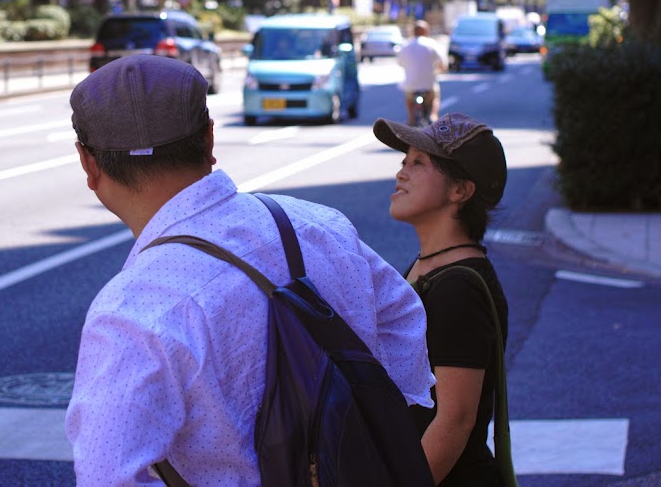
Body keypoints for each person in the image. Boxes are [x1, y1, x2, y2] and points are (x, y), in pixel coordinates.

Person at [64, 54, 435, 486]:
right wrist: (369, 436)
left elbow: (107, 475)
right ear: (209, 138)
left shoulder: (133, 311)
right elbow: (404, 317)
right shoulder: (321, 226)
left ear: (89, 165)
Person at [372, 112, 510, 486]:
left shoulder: (459, 289)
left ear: (459, 191)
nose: (401, 172)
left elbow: (455, 420)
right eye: (405, 161)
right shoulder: (429, 266)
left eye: (419, 163)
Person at [398, 20, 448, 126]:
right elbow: (443, 64)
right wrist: (437, 71)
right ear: (426, 31)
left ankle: (411, 118)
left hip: (411, 85)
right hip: (428, 84)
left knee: (409, 100)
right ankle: (433, 115)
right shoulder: (432, 44)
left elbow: (400, 63)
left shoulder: (405, 46)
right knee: (435, 96)